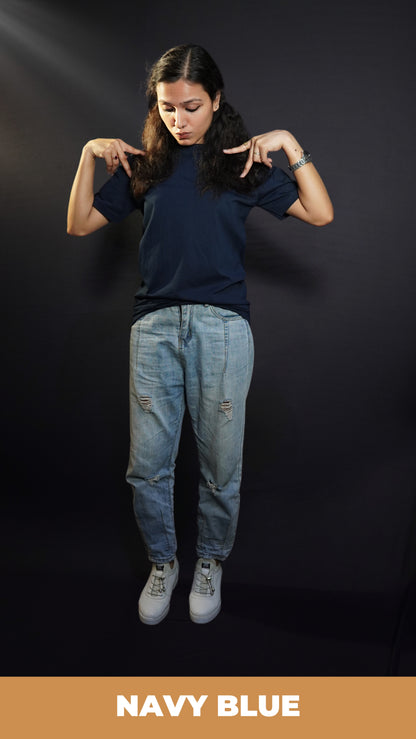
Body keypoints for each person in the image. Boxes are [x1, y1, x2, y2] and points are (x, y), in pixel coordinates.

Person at [67, 43, 333, 626]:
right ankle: (164, 563)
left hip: (222, 327)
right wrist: (89, 155)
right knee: (148, 466)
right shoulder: (144, 165)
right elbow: (80, 221)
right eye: (166, 108)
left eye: (191, 106)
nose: (178, 120)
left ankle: (209, 562)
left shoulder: (243, 166)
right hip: (154, 326)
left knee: (220, 464)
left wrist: (289, 144)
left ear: (215, 99)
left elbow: (320, 213)